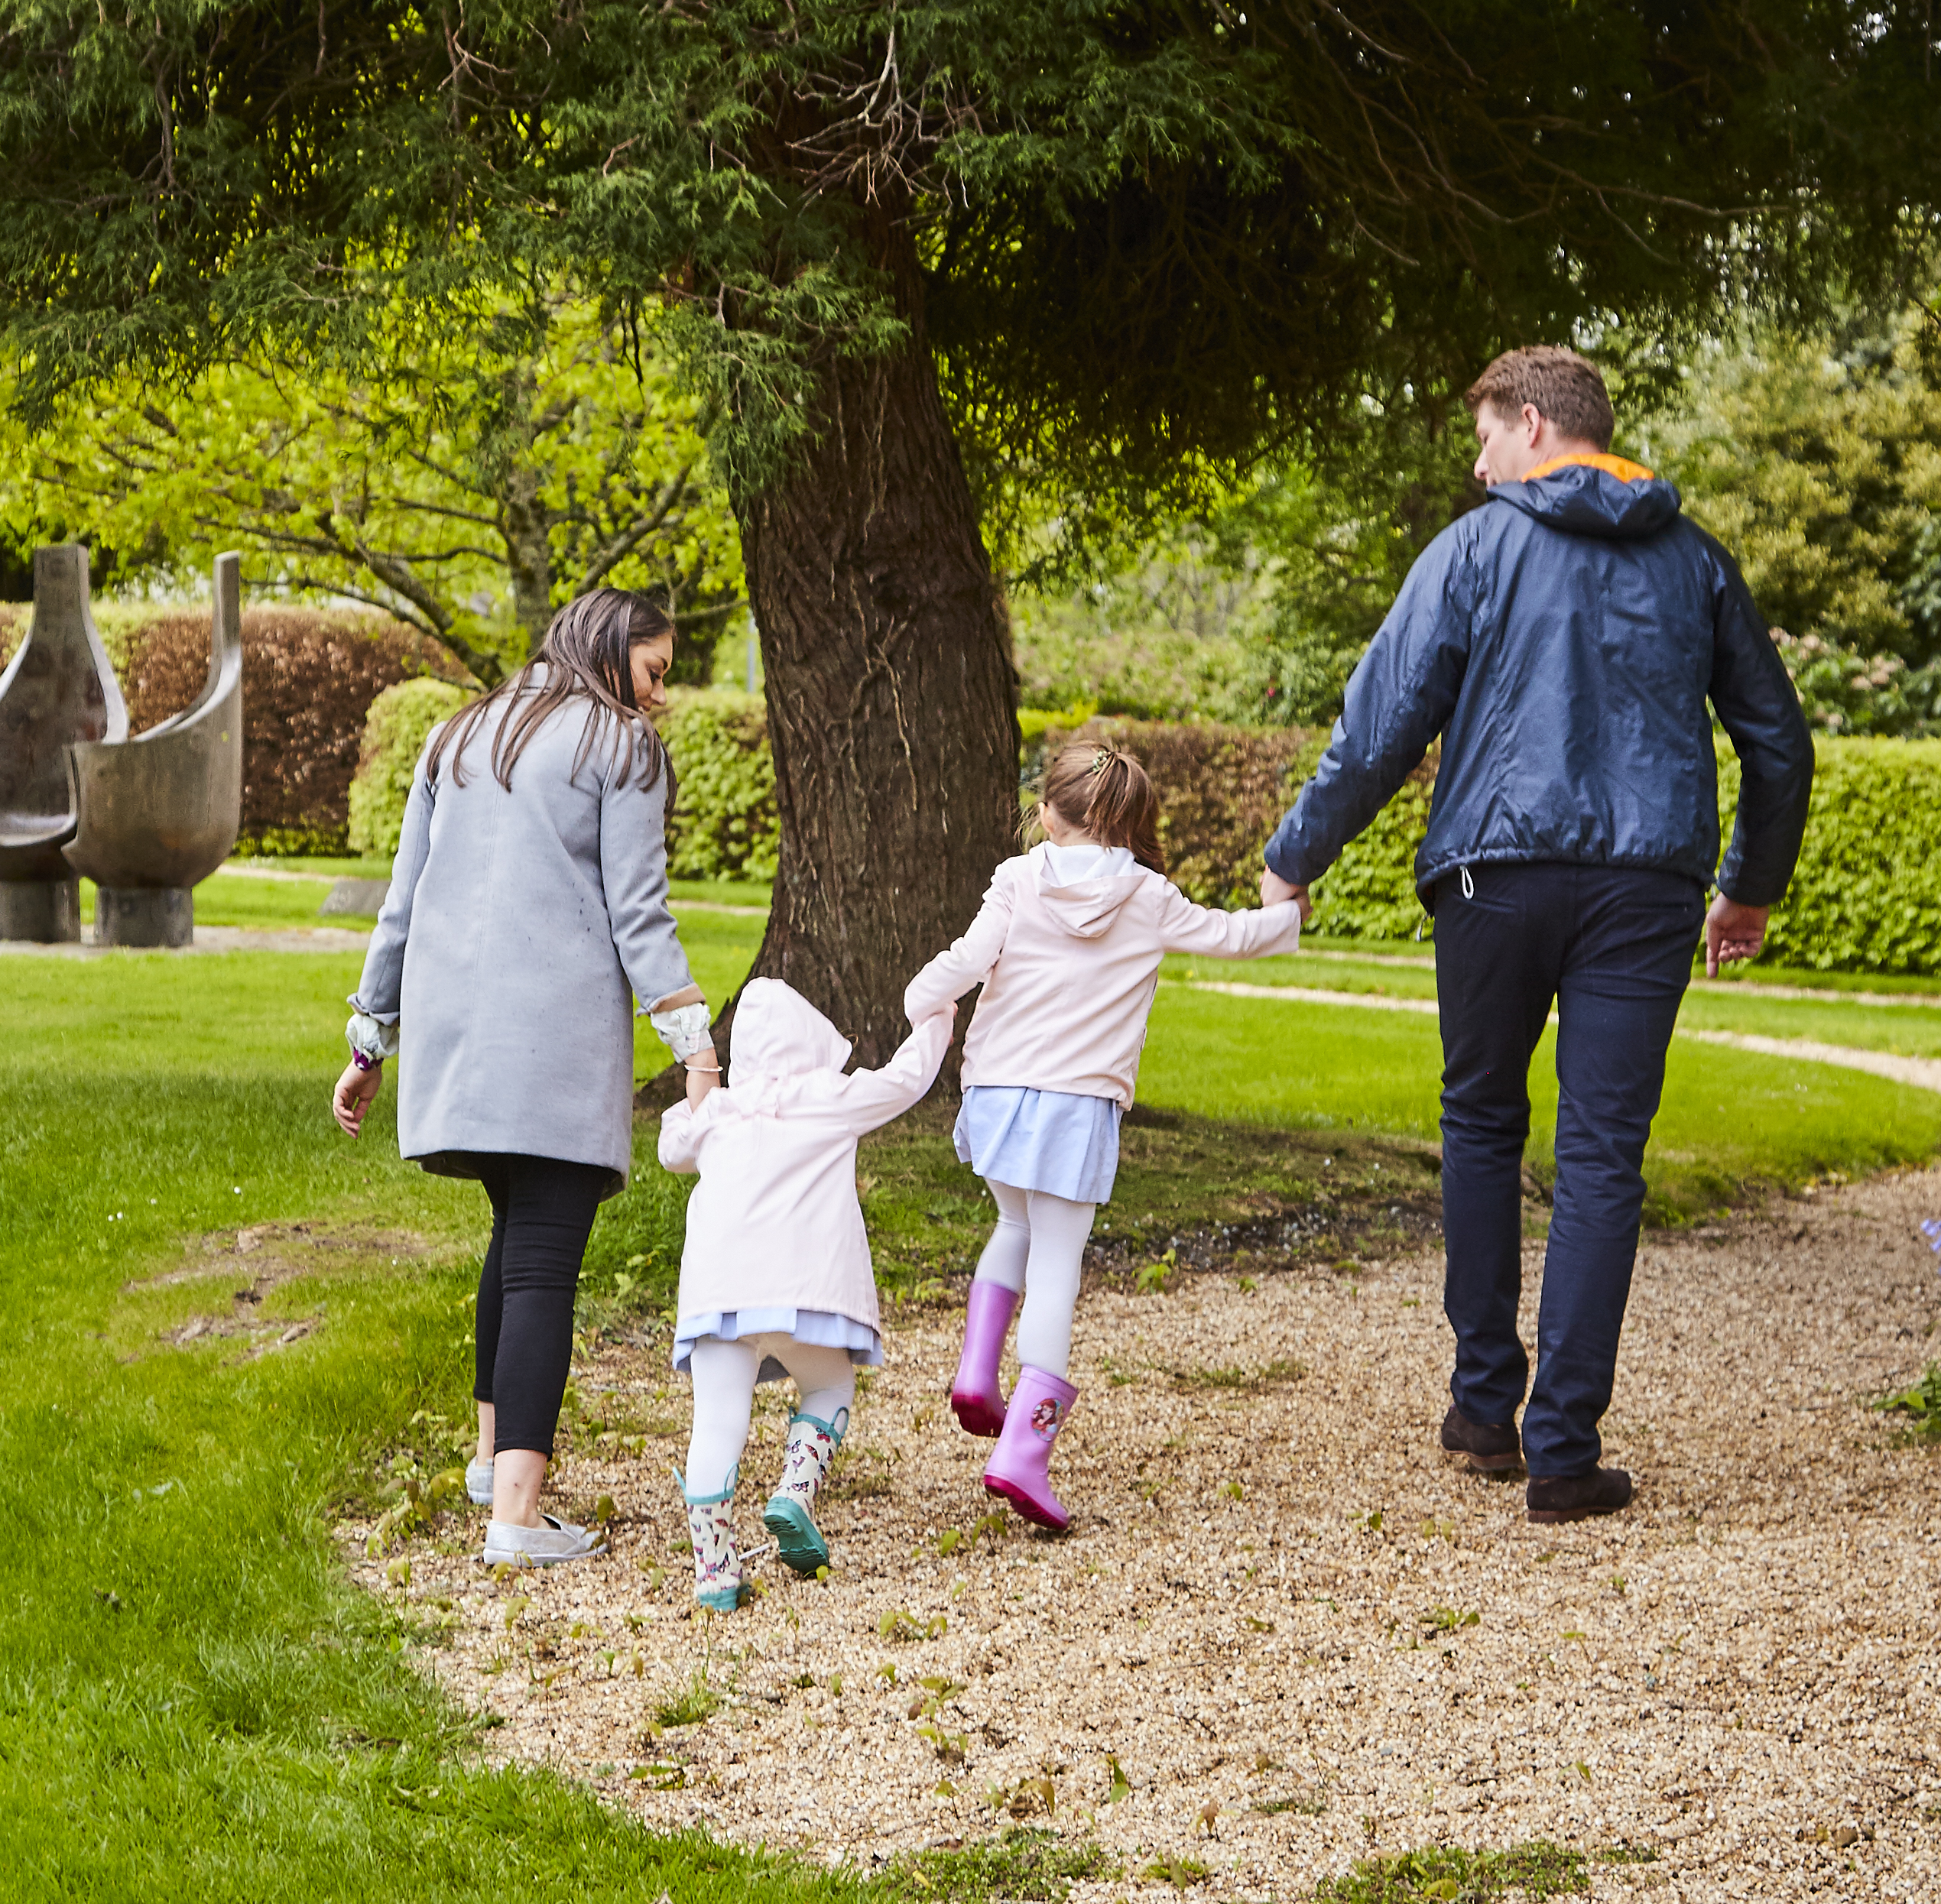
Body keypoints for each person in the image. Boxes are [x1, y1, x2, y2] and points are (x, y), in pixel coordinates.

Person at [1255, 345, 1810, 1526]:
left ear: (1537, 425)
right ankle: (1562, 1454)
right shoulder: (1698, 563)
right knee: (1604, 1155)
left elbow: (1382, 725)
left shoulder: (1474, 550)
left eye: (1489, 435)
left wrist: (1295, 853)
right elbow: (1779, 738)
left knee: (1481, 1124)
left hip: (1492, 878)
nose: (1478, 460)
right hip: (1647, 889)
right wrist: (1748, 886)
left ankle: (1480, 1407)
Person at [335, 591, 716, 1568]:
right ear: (609, 649)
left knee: (514, 1242)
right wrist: (694, 1045)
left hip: (459, 1045)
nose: (658, 694)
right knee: (544, 1260)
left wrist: (369, 1042)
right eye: (654, 670)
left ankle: (485, 1462)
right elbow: (639, 910)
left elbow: (402, 903)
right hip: (554, 1045)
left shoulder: (456, 736)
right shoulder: (618, 746)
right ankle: (516, 1514)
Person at [903, 741, 1306, 1530]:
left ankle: (977, 1375)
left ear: (1047, 813)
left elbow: (967, 958)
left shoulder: (1018, 878)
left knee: (1011, 1222)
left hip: (997, 1090)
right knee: (1054, 1262)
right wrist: (1288, 911)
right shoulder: (1148, 895)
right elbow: (1230, 936)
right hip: (1075, 1104)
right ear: (1125, 822)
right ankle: (1022, 1452)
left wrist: (922, 997)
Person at [650, 976, 950, 1611]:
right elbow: (906, 1078)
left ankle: (715, 1571)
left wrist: (695, 1092)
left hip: (718, 1298)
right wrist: (938, 1013)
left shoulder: (718, 1112)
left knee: (717, 1423)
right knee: (829, 1386)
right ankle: (793, 1491)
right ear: (812, 1041)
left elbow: (672, 1147)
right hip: (802, 1296)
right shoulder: (831, 1095)